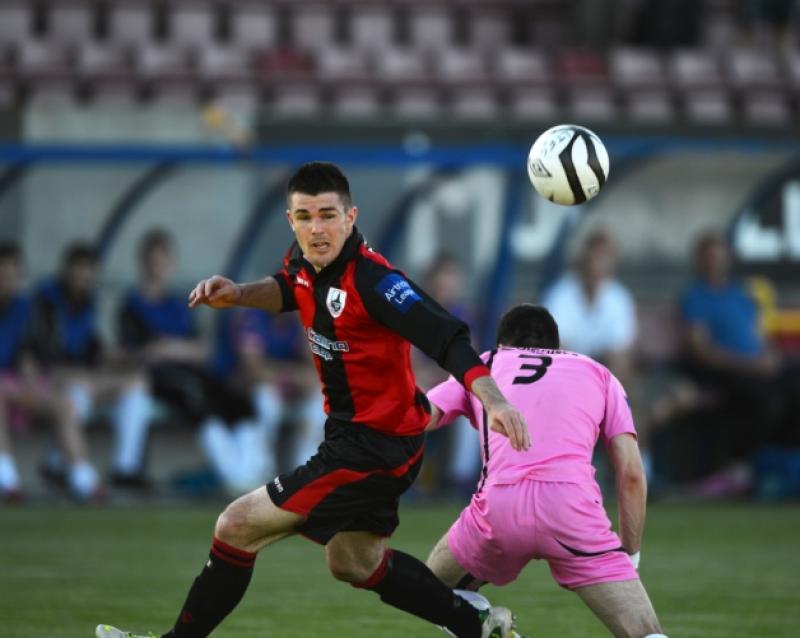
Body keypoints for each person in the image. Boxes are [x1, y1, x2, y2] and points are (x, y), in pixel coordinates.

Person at [96, 161, 529, 638]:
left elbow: (446, 337)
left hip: (373, 447)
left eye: (327, 215)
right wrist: (239, 293)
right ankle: (477, 626)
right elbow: (289, 288)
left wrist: (494, 400)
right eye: (304, 217)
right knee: (353, 561)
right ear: (290, 220)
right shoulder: (306, 262)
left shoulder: (376, 282)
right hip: (362, 439)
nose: (316, 228)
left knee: (236, 525)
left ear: (351, 216)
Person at [424, 304, 668, 638]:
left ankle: (488, 627)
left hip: (500, 508)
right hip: (572, 510)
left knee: (427, 592)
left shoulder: (486, 364)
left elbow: (423, 416)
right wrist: (631, 554)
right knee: (646, 633)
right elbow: (631, 474)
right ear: (557, 346)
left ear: (503, 345)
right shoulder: (599, 373)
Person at [118, 229, 258, 493]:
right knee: (197, 402)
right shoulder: (132, 304)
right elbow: (138, 352)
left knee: (237, 398)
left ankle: (252, 471)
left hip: (192, 372)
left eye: (162, 260)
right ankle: (235, 479)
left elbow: (201, 350)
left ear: (171, 263)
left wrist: (168, 346)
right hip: (160, 379)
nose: (158, 267)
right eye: (152, 261)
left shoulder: (181, 302)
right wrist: (168, 350)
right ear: (143, 263)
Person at [677, 231, 800, 494]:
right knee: (764, 400)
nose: (715, 263)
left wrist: (770, 357)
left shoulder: (740, 294)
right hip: (725, 371)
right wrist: (752, 365)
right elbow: (702, 351)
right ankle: (740, 468)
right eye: (709, 258)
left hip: (757, 368)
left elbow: (759, 337)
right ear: (700, 261)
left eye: (719, 257)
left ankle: (783, 462)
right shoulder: (696, 296)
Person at [29, 242, 152, 488]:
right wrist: (87, 376)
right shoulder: (45, 302)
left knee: (137, 385)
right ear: (66, 271)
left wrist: (123, 358)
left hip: (88, 379)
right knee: (77, 394)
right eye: (78, 271)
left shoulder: (91, 303)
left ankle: (125, 468)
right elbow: (43, 359)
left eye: (88, 273)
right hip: (52, 382)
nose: (83, 279)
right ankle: (58, 464)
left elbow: (96, 350)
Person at [0, 242, 100, 501]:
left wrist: (28, 369)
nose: (9, 282)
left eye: (14, 275)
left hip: (16, 385)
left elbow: (27, 351)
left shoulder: (24, 307)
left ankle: (84, 480)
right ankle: (7, 479)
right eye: (4, 275)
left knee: (65, 403)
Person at [213, 306, 326, 475]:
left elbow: (315, 369)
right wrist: (293, 375)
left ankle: (307, 467)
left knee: (320, 397)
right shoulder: (252, 318)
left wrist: (305, 330)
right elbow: (255, 369)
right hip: (250, 390)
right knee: (267, 398)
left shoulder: (300, 320)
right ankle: (264, 469)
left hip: (290, 388)